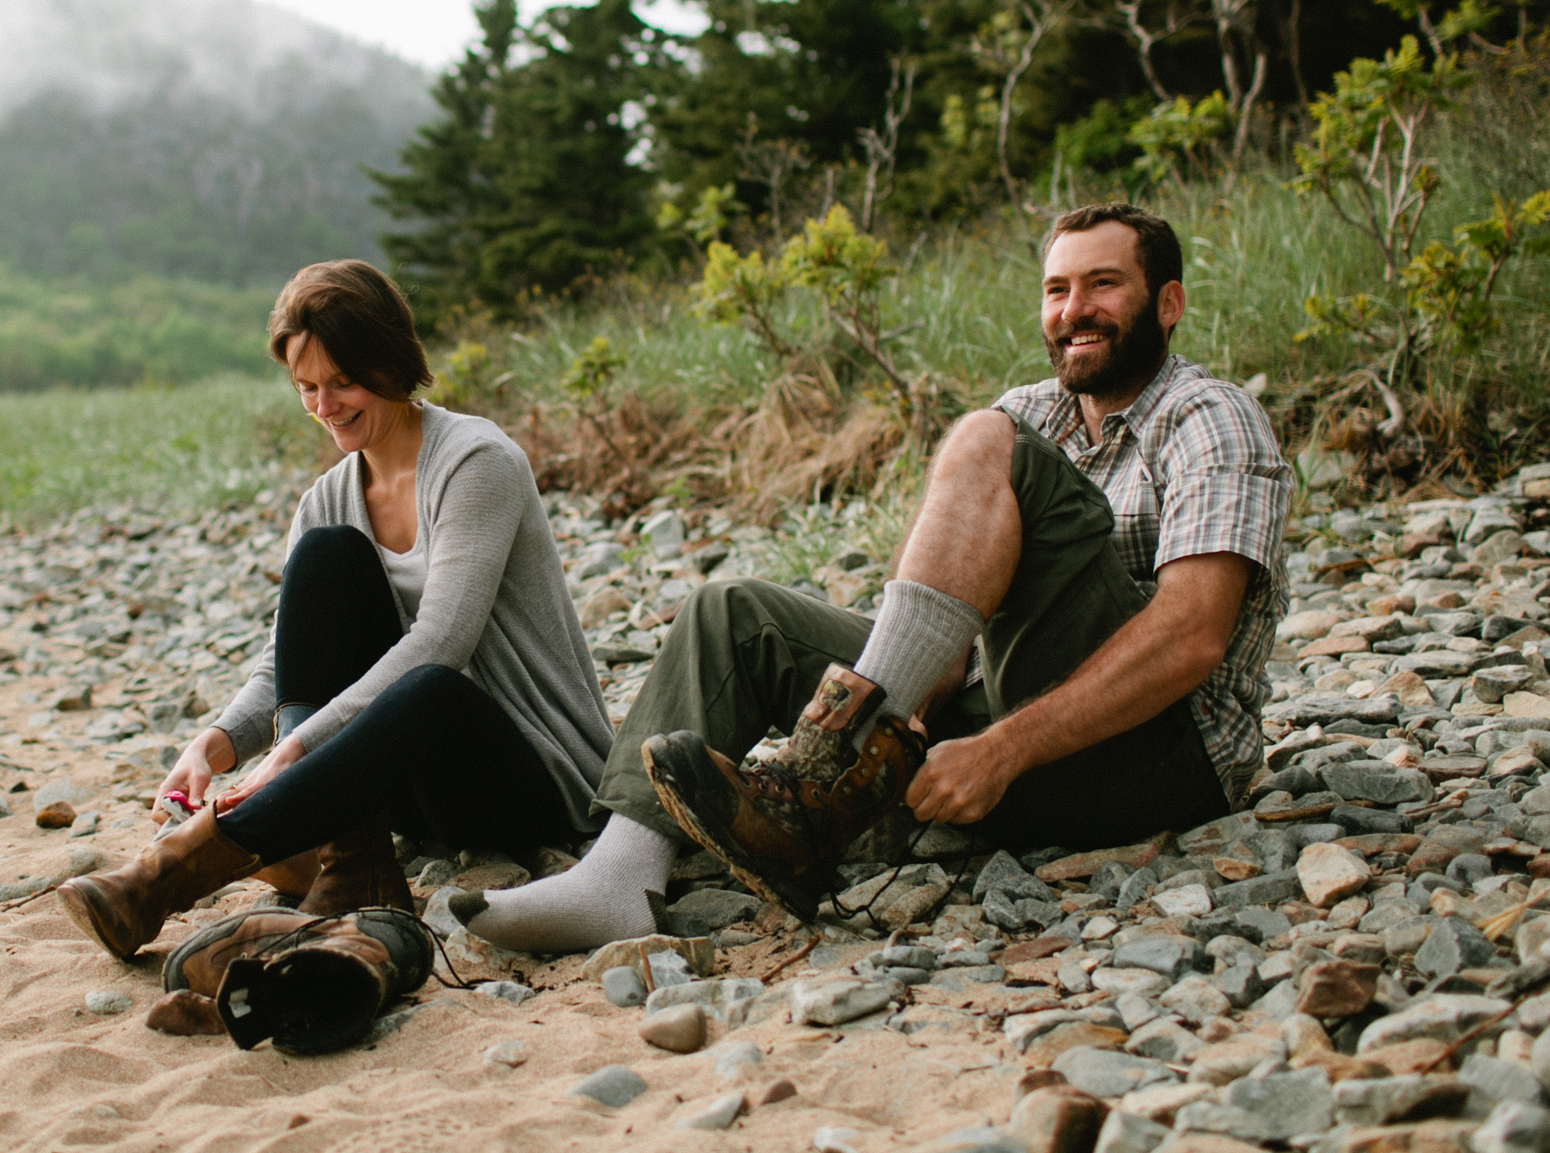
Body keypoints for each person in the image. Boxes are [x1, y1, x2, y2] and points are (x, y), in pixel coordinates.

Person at [459, 202, 1290, 948]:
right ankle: (617, 879)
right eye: (1056, 289)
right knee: (734, 614)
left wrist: (999, 749)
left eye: (1103, 285)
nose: (1074, 310)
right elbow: (953, 591)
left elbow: (1193, 634)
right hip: (1015, 720)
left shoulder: (1210, 416)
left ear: (1168, 303)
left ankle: (817, 780)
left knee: (981, 437)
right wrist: (919, 704)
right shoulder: (1033, 408)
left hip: (1157, 758)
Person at [58, 259, 614, 962]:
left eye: (342, 381)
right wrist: (216, 742)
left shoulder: (477, 462)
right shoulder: (327, 496)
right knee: (324, 555)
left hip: (531, 777)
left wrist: (294, 751)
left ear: (390, 362)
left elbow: (443, 638)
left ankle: (168, 875)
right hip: (408, 785)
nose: (325, 405)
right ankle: (353, 861)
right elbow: (283, 666)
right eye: (306, 387)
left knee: (433, 686)